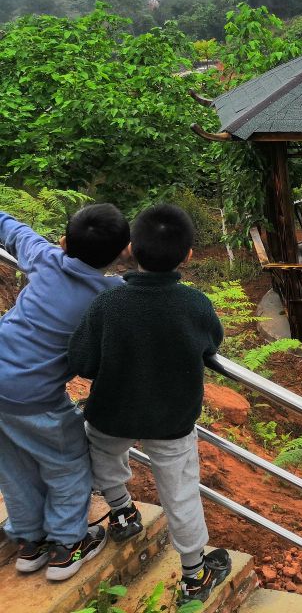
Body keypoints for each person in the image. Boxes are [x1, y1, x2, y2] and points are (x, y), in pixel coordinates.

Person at [68, 204, 231, 603]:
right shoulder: (195, 305)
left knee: (101, 456)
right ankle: (194, 575)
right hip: (171, 420)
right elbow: (212, 343)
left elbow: (82, 362)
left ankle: (122, 512)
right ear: (188, 255)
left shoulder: (107, 304)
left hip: (112, 413)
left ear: (131, 251)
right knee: (180, 492)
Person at [0, 203, 129, 580]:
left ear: (62, 240)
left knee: (14, 465)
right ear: (124, 251)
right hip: (35, 397)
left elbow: (12, 229)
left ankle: (29, 540)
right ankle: (67, 544)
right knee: (68, 462)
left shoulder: (45, 257)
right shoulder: (110, 296)